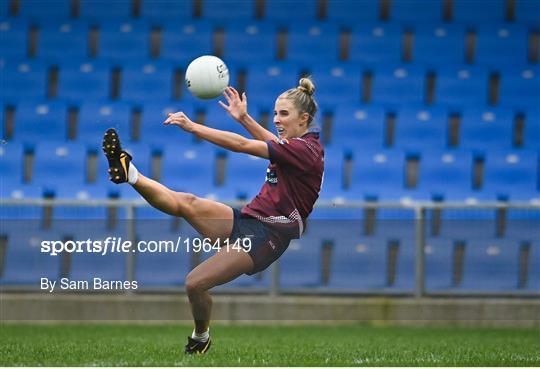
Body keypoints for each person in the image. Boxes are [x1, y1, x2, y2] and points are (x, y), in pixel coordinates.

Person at [102, 78, 324, 354]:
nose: (277, 120)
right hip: (250, 220)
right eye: (275, 113)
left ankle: (200, 337)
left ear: (304, 119)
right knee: (187, 202)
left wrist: (193, 126)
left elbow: (243, 145)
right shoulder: (296, 145)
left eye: (284, 114)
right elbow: (271, 141)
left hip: (269, 236)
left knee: (195, 284)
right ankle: (130, 173)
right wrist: (244, 118)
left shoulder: (305, 151)